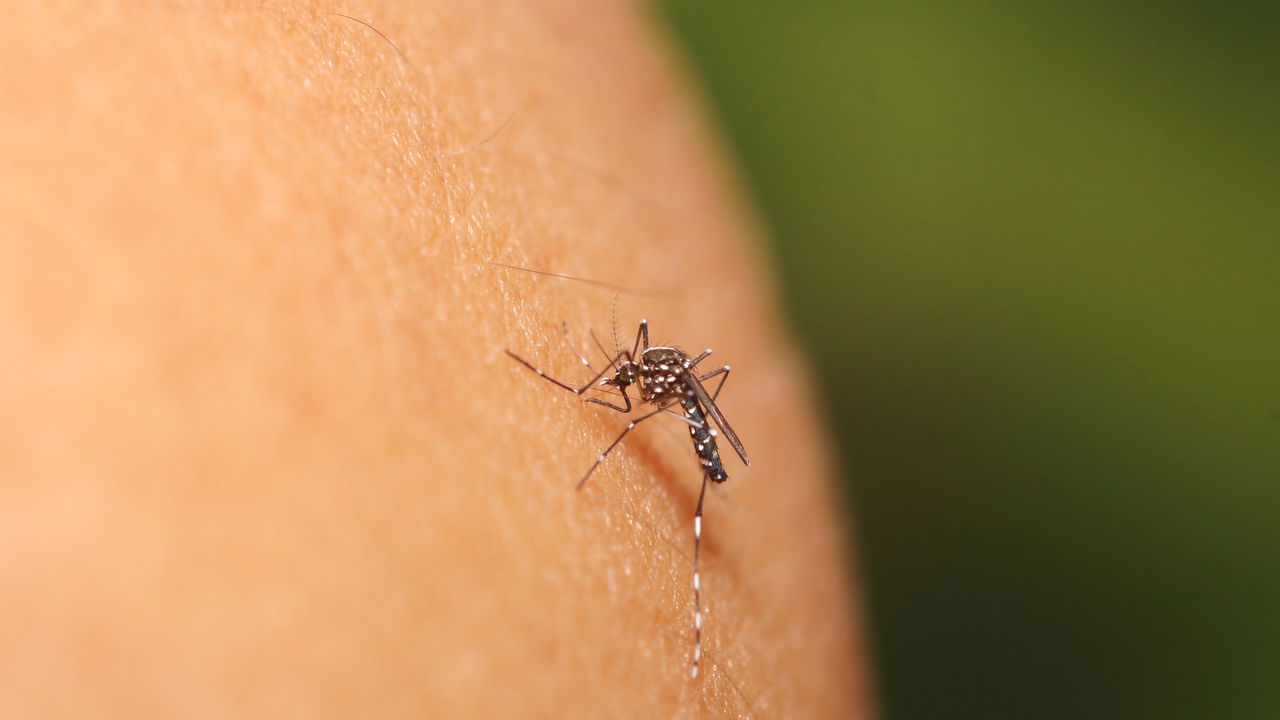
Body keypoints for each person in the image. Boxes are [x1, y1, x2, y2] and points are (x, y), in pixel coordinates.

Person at [0, 2, 870, 716]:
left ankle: (677, 515)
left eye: (628, 384)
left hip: (693, 434)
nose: (625, 382)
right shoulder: (649, 361)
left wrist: (624, 432)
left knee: (679, 398)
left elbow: (674, 391)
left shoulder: (666, 390)